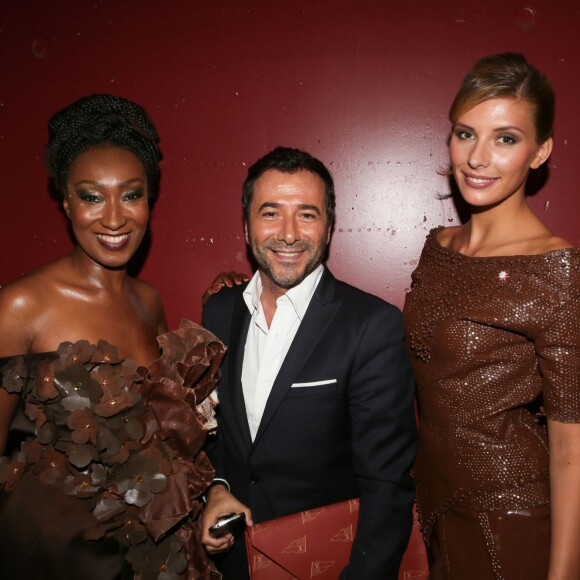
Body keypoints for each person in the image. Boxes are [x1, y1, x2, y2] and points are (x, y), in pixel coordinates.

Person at [0, 94, 223, 579]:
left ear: (149, 200)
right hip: (50, 560)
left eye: (131, 194)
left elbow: (163, 430)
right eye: (92, 195)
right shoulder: (20, 306)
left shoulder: (150, 302)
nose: (115, 218)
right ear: (65, 200)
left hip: (144, 558)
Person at [201, 146, 417, 579]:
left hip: (328, 562)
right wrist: (218, 488)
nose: (287, 233)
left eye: (306, 214)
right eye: (270, 213)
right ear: (246, 227)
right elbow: (216, 433)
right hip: (233, 563)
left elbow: (387, 486)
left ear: (329, 226)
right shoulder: (219, 312)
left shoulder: (372, 326)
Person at [403, 53, 580, 579]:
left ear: (540, 150)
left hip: (509, 518)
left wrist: (565, 574)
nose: (478, 157)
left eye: (505, 138)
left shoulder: (558, 269)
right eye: (465, 134)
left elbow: (572, 446)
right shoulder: (437, 246)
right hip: (436, 504)